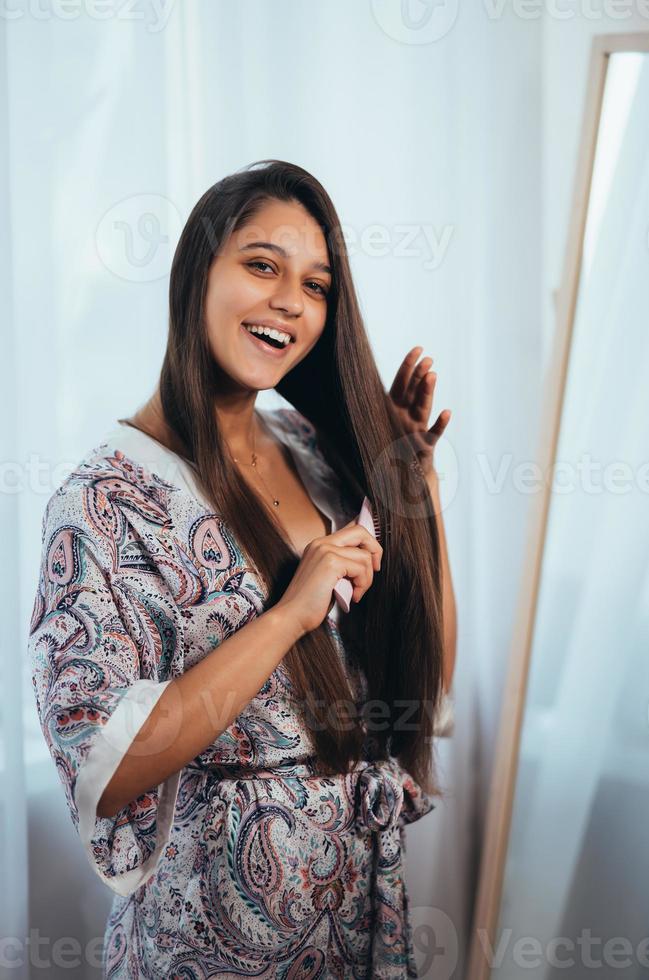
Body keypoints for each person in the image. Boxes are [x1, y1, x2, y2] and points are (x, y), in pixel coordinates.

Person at [28, 159, 457, 978]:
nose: (291, 301)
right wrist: (290, 613)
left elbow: (422, 676)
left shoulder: (316, 456)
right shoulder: (104, 501)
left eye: (318, 284)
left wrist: (415, 494)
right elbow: (105, 770)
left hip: (354, 922)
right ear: (197, 274)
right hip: (208, 938)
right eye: (262, 265)